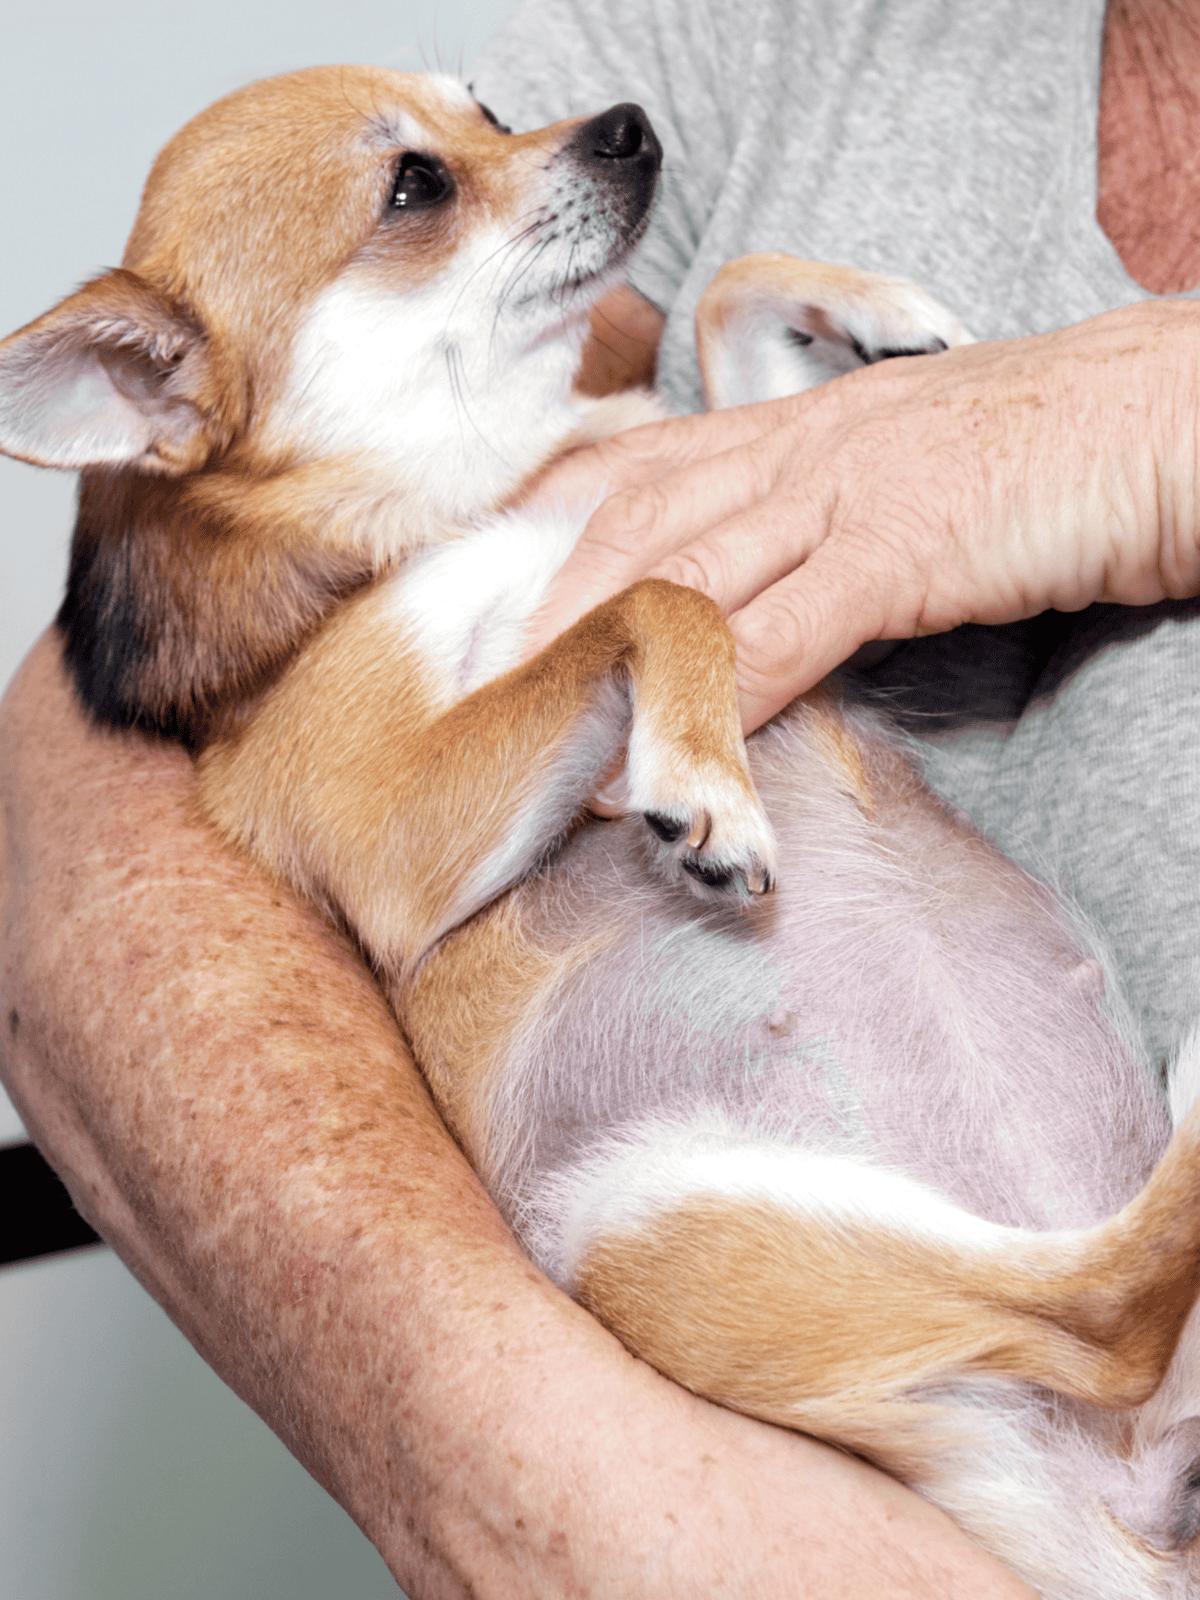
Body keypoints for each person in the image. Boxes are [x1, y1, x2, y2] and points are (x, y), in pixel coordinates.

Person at [1, 0, 1197, 1592]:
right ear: (167, 401)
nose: (541, 155)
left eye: (484, 125)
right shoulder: (787, 36)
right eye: (424, 189)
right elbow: (83, 777)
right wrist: (552, 1482)